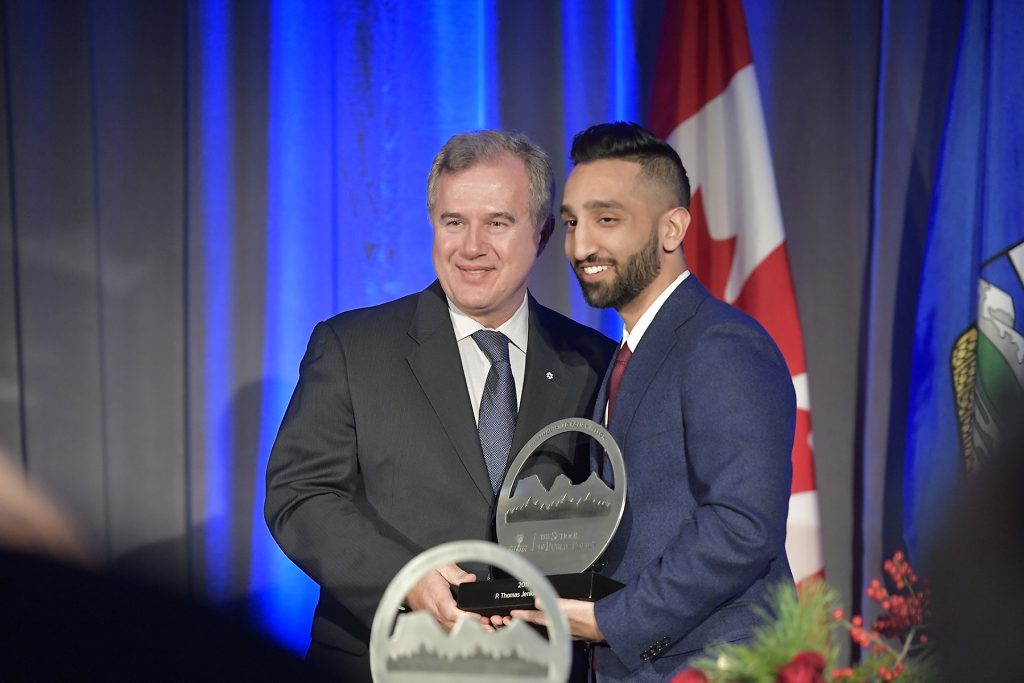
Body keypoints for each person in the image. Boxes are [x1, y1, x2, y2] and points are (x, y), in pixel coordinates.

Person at [264, 129, 616, 682]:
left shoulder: (594, 361)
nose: (471, 246)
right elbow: (299, 496)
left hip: (539, 667)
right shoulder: (353, 347)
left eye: (497, 222)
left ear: (542, 233)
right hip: (384, 660)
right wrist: (407, 578)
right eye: (454, 222)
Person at [513, 122, 796, 682]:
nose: (581, 245)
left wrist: (612, 619)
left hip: (718, 666)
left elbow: (743, 525)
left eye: (607, 219)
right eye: (571, 222)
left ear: (672, 228)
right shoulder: (621, 357)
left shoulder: (721, 344)